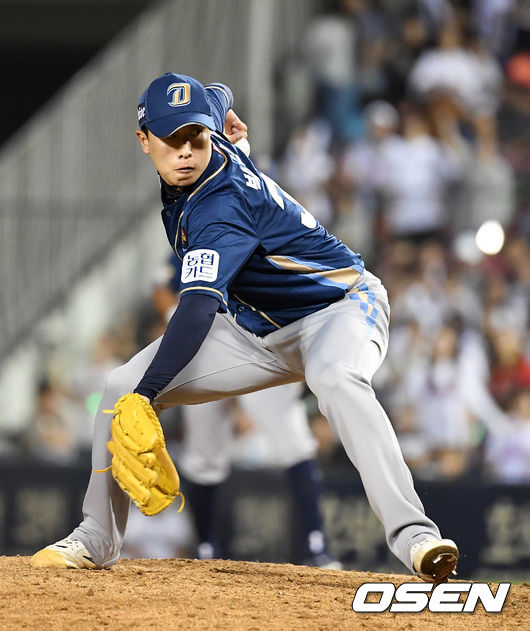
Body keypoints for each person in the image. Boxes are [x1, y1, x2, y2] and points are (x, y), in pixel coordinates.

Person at [31, 72, 459, 583]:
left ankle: (416, 537)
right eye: (172, 138)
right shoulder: (211, 137)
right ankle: (95, 538)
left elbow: (195, 310)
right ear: (144, 140)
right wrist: (222, 110)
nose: (185, 150)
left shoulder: (220, 207)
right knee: (117, 386)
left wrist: (148, 395)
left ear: (208, 134)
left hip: (339, 309)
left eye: (195, 136)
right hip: (256, 330)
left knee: (335, 378)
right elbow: (217, 93)